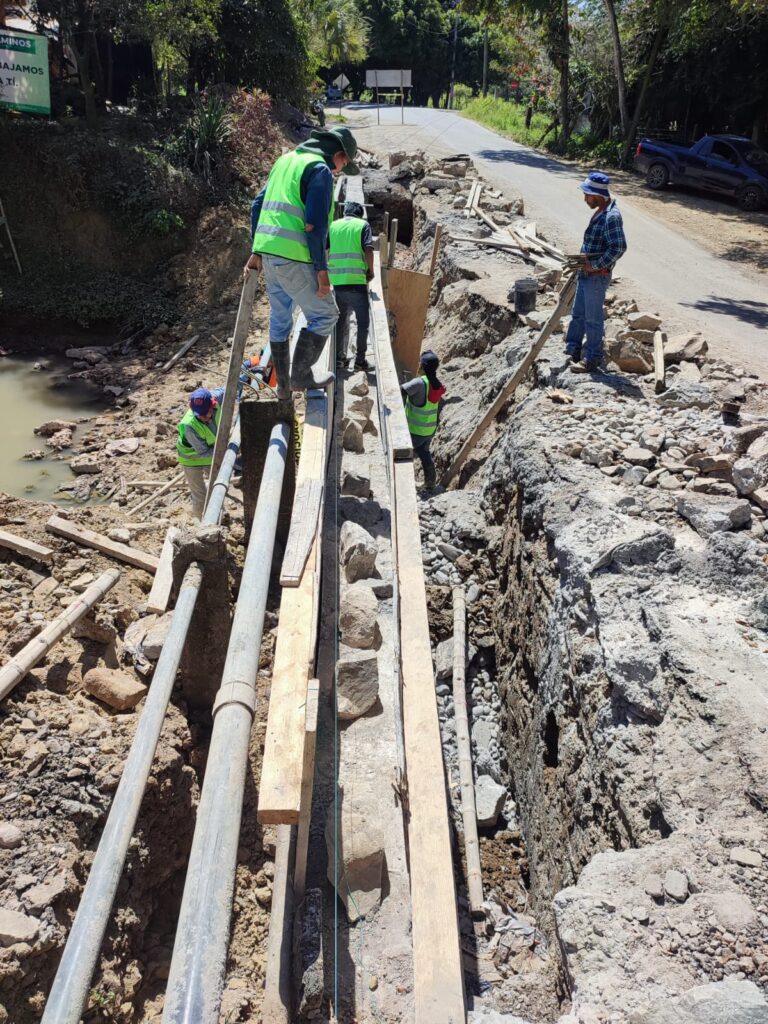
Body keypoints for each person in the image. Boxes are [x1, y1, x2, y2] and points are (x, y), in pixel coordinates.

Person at [244, 126, 360, 399]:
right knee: (326, 315)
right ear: (338, 154)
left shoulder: (285, 161)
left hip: (270, 255)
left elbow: (257, 205)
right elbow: (314, 226)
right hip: (295, 256)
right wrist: (321, 271)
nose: (340, 170)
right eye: (344, 163)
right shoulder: (319, 169)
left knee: (280, 318)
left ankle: (283, 388)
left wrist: (257, 250)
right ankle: (301, 375)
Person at [564, 171, 627, 373]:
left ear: (598, 195)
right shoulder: (601, 210)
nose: (585, 199)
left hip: (596, 277)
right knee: (578, 314)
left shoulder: (611, 217)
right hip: (586, 274)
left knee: (592, 319)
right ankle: (572, 349)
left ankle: (592, 358)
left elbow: (619, 247)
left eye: (587, 195)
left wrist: (596, 265)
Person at [328, 201, 374, 371]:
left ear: (344, 212)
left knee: (341, 321)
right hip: (357, 282)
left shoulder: (333, 226)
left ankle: (340, 359)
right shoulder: (363, 225)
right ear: (360, 215)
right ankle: (360, 361)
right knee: (363, 323)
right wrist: (370, 271)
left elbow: (324, 248)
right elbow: (368, 249)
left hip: (338, 283)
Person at [176, 387, 224, 519]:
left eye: (206, 413)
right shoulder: (189, 425)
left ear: (212, 404)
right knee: (200, 495)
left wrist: (247, 373)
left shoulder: (217, 398)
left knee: (218, 489)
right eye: (199, 415)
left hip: (212, 454)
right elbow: (203, 452)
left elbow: (230, 388)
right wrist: (226, 449)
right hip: (191, 459)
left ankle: (220, 517)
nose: (203, 417)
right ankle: (200, 523)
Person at [401, 350, 446, 490]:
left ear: (422, 366)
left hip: (414, 430)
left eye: (420, 363)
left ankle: (404, 485)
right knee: (424, 452)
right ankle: (430, 482)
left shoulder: (419, 383)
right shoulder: (435, 384)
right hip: (429, 430)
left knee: (404, 456)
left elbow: (400, 391)